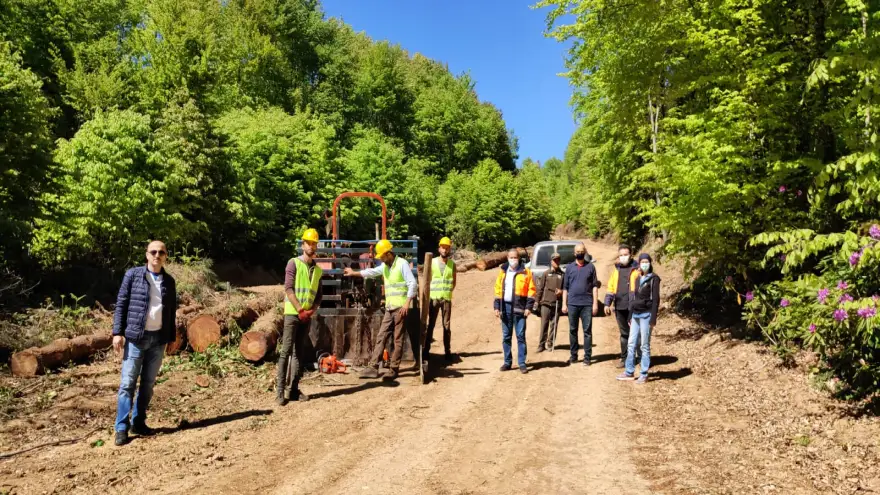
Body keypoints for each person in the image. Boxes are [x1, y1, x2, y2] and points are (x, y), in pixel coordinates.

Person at [112, 240, 178, 446]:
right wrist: (117, 332)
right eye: (153, 252)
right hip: (135, 338)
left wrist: (171, 337)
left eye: (161, 252)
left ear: (166, 256)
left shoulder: (169, 281)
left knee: (148, 385)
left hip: (158, 340)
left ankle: (138, 422)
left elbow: (171, 311)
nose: (157, 255)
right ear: (147, 254)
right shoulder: (133, 275)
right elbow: (121, 303)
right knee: (127, 384)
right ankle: (121, 428)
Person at [344, 239, 417, 381]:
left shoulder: (402, 264)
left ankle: (393, 369)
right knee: (381, 336)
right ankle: (373, 367)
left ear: (388, 253)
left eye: (382, 256)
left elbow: (412, 284)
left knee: (397, 339)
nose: (381, 259)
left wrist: (407, 303)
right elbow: (371, 272)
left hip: (400, 308)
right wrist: (354, 273)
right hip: (390, 308)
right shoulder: (385, 266)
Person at [276, 228, 323, 405]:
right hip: (292, 314)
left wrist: (311, 311)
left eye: (314, 244)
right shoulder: (293, 263)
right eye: (308, 243)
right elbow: (288, 289)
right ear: (303, 245)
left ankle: (294, 390)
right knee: (286, 351)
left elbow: (319, 296)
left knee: (299, 353)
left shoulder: (318, 270)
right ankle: (280, 392)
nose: (311, 246)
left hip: (306, 316)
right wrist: (300, 310)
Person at [617, 253, 661, 384]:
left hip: (646, 315)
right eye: (642, 262)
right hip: (635, 314)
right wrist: (630, 315)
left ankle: (644, 373)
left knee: (644, 345)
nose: (644, 264)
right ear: (639, 264)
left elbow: (655, 300)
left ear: (650, 263)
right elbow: (634, 298)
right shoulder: (637, 278)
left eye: (646, 262)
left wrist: (653, 318)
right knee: (631, 343)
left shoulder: (654, 279)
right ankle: (629, 371)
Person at [493, 248, 536, 373]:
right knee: (506, 336)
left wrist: (528, 307)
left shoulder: (526, 272)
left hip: (520, 308)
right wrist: (497, 307)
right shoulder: (503, 272)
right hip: (505, 308)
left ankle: (522, 363)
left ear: (519, 258)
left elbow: (531, 291)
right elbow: (497, 289)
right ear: (507, 258)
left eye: (515, 257)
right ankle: (507, 362)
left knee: (520, 336)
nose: (513, 260)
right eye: (511, 257)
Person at [562, 243, 599, 366]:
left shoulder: (591, 267)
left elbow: (595, 287)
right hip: (572, 304)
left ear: (585, 252)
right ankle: (573, 356)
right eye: (578, 251)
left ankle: (587, 357)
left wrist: (595, 304)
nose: (580, 253)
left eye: (582, 251)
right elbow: (565, 287)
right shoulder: (569, 268)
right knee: (573, 330)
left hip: (587, 304)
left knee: (587, 331)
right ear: (574, 253)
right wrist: (564, 304)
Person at [604, 244, 639, 368]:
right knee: (624, 334)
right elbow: (611, 288)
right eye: (621, 255)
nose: (623, 257)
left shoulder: (637, 270)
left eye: (626, 254)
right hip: (619, 307)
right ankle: (625, 359)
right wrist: (607, 303)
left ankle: (638, 357)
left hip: (634, 307)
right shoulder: (616, 271)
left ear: (631, 255)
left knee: (635, 334)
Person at [425, 237, 456, 361]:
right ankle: (426, 351)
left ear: (449, 250)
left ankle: (447, 352)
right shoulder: (432, 262)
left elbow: (453, 282)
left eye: (447, 248)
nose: (445, 250)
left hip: (446, 299)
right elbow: (427, 280)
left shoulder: (452, 264)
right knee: (431, 325)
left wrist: (447, 292)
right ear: (439, 249)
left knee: (446, 326)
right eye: (443, 247)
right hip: (434, 299)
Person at [533, 252, 564, 353]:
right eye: (554, 260)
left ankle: (550, 344)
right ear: (551, 261)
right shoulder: (546, 273)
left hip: (557, 303)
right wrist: (537, 302)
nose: (556, 262)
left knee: (554, 325)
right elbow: (540, 289)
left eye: (558, 260)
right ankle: (541, 345)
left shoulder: (562, 274)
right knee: (544, 324)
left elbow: (566, 289)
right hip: (545, 303)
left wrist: (561, 292)